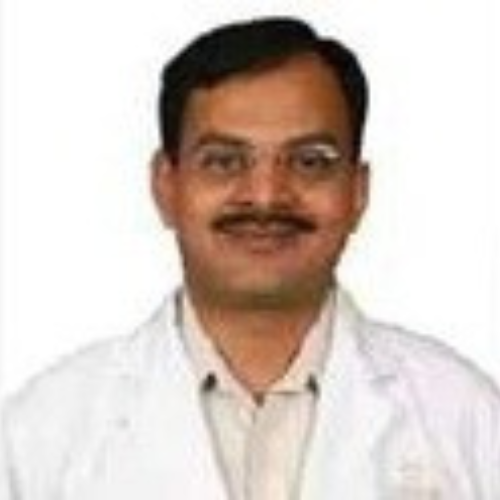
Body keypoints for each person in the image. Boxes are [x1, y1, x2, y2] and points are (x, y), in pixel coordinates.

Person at [1, 16, 499, 500]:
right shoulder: (42, 437)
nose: (265, 196)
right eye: (223, 161)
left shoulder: (468, 421)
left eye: (310, 162)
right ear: (166, 186)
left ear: (357, 192)